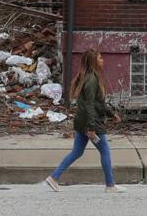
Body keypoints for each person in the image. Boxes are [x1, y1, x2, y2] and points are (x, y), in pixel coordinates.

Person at [44, 48, 122, 192]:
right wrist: (91, 127)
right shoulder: (92, 80)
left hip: (81, 121)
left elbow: (99, 103)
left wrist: (112, 115)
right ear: (94, 62)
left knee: (77, 152)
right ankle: (110, 185)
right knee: (105, 151)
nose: (102, 60)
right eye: (99, 58)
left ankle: (53, 177)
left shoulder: (89, 77)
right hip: (90, 123)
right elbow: (89, 105)